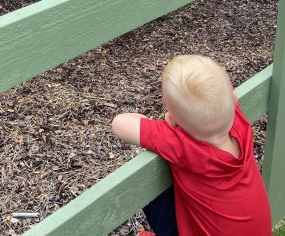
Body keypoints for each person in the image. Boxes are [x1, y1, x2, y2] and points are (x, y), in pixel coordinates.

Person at [111, 54, 272, 236]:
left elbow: (120, 123)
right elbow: (223, 95)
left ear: (172, 120)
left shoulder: (184, 145)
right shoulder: (241, 124)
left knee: (154, 189)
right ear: (233, 99)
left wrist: (165, 124)